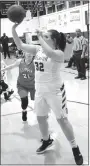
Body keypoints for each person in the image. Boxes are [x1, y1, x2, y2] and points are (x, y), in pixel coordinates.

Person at [11, 23, 83, 165]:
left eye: (46, 37)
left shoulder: (59, 53)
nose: (42, 38)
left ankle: (75, 147)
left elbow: (49, 53)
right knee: (41, 118)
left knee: (62, 120)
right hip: (40, 90)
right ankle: (46, 140)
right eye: (43, 37)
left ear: (54, 41)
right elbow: (20, 45)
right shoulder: (38, 49)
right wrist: (13, 29)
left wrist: (39, 36)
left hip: (55, 91)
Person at [1, 52, 35, 121]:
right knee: (24, 100)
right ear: (24, 54)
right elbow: (11, 66)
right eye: (27, 53)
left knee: (38, 100)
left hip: (31, 85)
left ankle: (42, 114)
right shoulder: (20, 61)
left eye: (30, 53)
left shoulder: (35, 63)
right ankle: (24, 111)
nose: (29, 54)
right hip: (21, 85)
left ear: (33, 55)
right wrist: (2, 69)